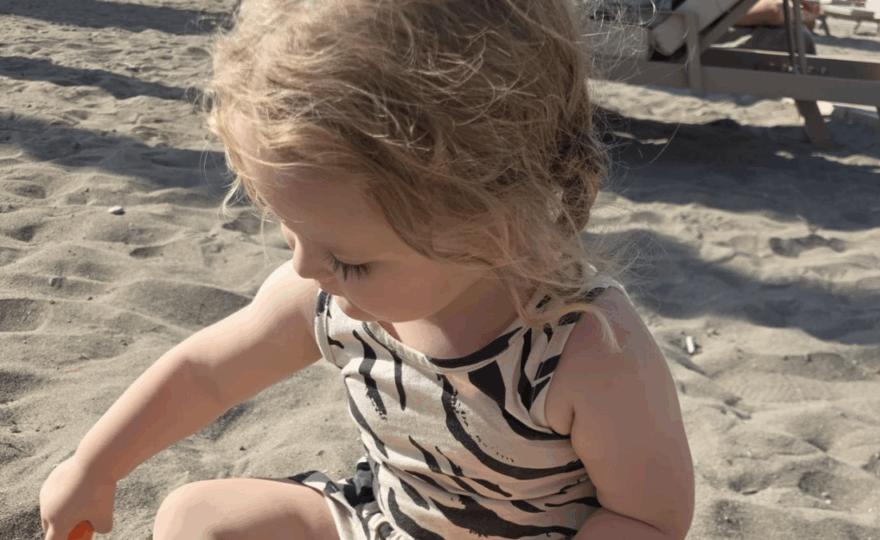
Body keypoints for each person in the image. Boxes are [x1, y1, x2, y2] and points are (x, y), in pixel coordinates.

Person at [38, 1, 694, 539]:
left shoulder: (583, 346)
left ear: (491, 220)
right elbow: (205, 375)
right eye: (289, 231)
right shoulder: (325, 296)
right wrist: (95, 467)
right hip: (379, 520)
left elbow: (646, 520)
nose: (304, 268)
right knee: (195, 516)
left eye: (347, 259)